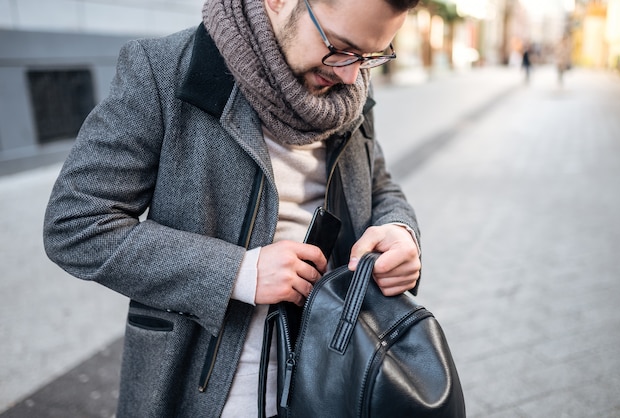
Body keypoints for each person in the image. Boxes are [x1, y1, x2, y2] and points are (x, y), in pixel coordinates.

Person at [43, 0, 422, 416]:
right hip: (206, 390)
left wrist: (400, 231)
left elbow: (380, 185)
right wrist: (239, 272)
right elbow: (76, 224)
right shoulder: (163, 71)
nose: (350, 74)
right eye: (339, 46)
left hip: (338, 381)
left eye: (370, 57)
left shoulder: (351, 91)